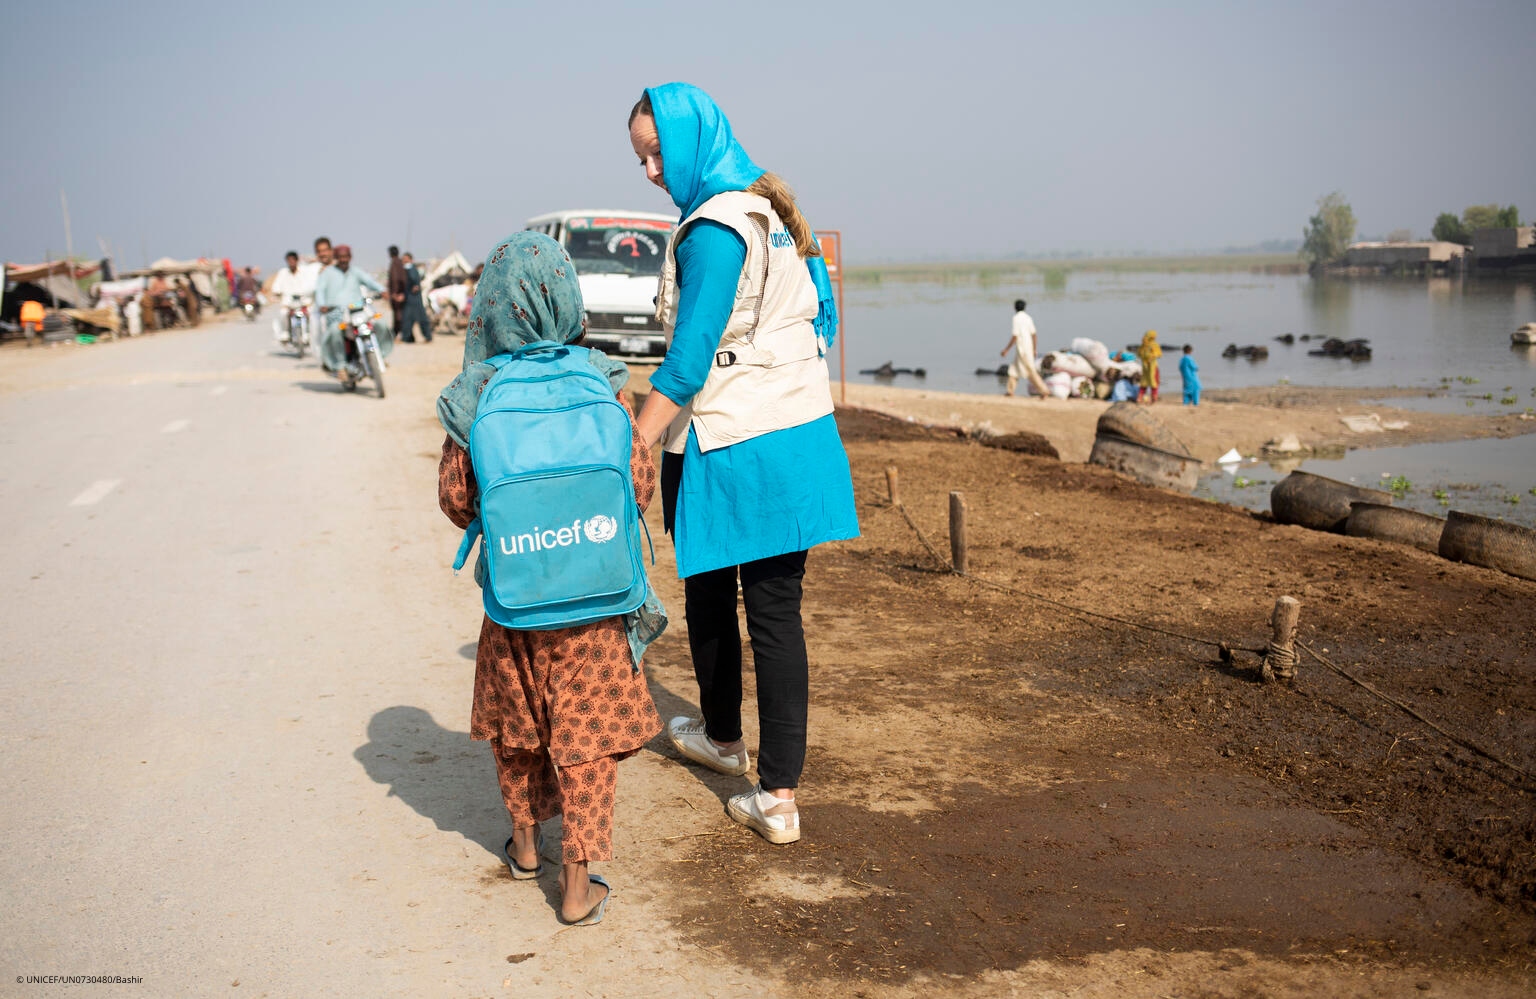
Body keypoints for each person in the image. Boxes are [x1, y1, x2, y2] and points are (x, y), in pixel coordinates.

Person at [627, 83, 859, 845]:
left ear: (694, 143)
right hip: (797, 428)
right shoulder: (768, 210)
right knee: (770, 609)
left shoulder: (712, 230)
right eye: (641, 158)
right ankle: (751, 765)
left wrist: (634, 445)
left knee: (718, 595)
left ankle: (754, 770)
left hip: (730, 437)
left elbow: (688, 360)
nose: (652, 171)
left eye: (659, 153)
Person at [436, 231, 662, 925]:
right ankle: (577, 884)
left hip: (516, 604)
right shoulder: (601, 381)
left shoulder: (477, 394)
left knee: (520, 728)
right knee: (586, 740)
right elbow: (639, 483)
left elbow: (456, 498)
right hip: (596, 602)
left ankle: (527, 846)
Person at [314, 244, 390, 383]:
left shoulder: (356, 272)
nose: (343, 259)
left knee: (381, 324)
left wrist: (382, 290)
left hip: (358, 311)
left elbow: (370, 282)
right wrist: (322, 305)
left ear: (350, 257)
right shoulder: (327, 273)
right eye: (340, 257)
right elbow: (319, 291)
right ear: (336, 258)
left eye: (346, 257)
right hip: (336, 314)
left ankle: (380, 355)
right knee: (335, 332)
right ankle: (340, 366)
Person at [270, 250, 318, 344]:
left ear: (297, 260)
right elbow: (277, 286)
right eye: (289, 260)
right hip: (289, 303)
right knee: (283, 313)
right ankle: (285, 333)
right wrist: (276, 293)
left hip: (304, 302)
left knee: (312, 314)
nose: (291, 262)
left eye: (293, 260)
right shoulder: (283, 272)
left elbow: (311, 284)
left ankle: (309, 333)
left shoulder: (305, 272)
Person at [999, 299, 1040, 397]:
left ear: (1015, 308)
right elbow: (1034, 335)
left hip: (1022, 349)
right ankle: (1010, 390)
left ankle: (1043, 390)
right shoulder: (1028, 318)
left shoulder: (1016, 318)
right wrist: (1034, 349)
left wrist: (1006, 349)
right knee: (1014, 370)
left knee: (1030, 370)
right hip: (1027, 348)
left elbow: (1015, 336)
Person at [399, 252, 433, 342]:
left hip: (414, 299)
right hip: (411, 298)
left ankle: (427, 337)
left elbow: (414, 281)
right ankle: (407, 338)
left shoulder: (411, 269)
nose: (403, 261)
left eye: (405, 259)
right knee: (409, 320)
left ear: (410, 259)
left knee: (418, 319)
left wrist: (415, 286)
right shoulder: (408, 269)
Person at [387, 245, 411, 342]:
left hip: (397, 295)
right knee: (399, 315)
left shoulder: (395, 263)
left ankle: (399, 335)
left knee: (398, 316)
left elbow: (395, 279)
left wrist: (395, 293)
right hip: (401, 293)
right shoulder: (400, 262)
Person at [1137, 329, 1161, 404]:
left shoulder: (1143, 345)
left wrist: (1145, 359)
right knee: (1154, 381)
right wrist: (1151, 357)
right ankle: (1154, 398)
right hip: (1152, 366)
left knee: (1144, 382)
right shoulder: (1154, 345)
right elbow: (1159, 354)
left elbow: (1139, 354)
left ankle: (1139, 398)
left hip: (1145, 367)